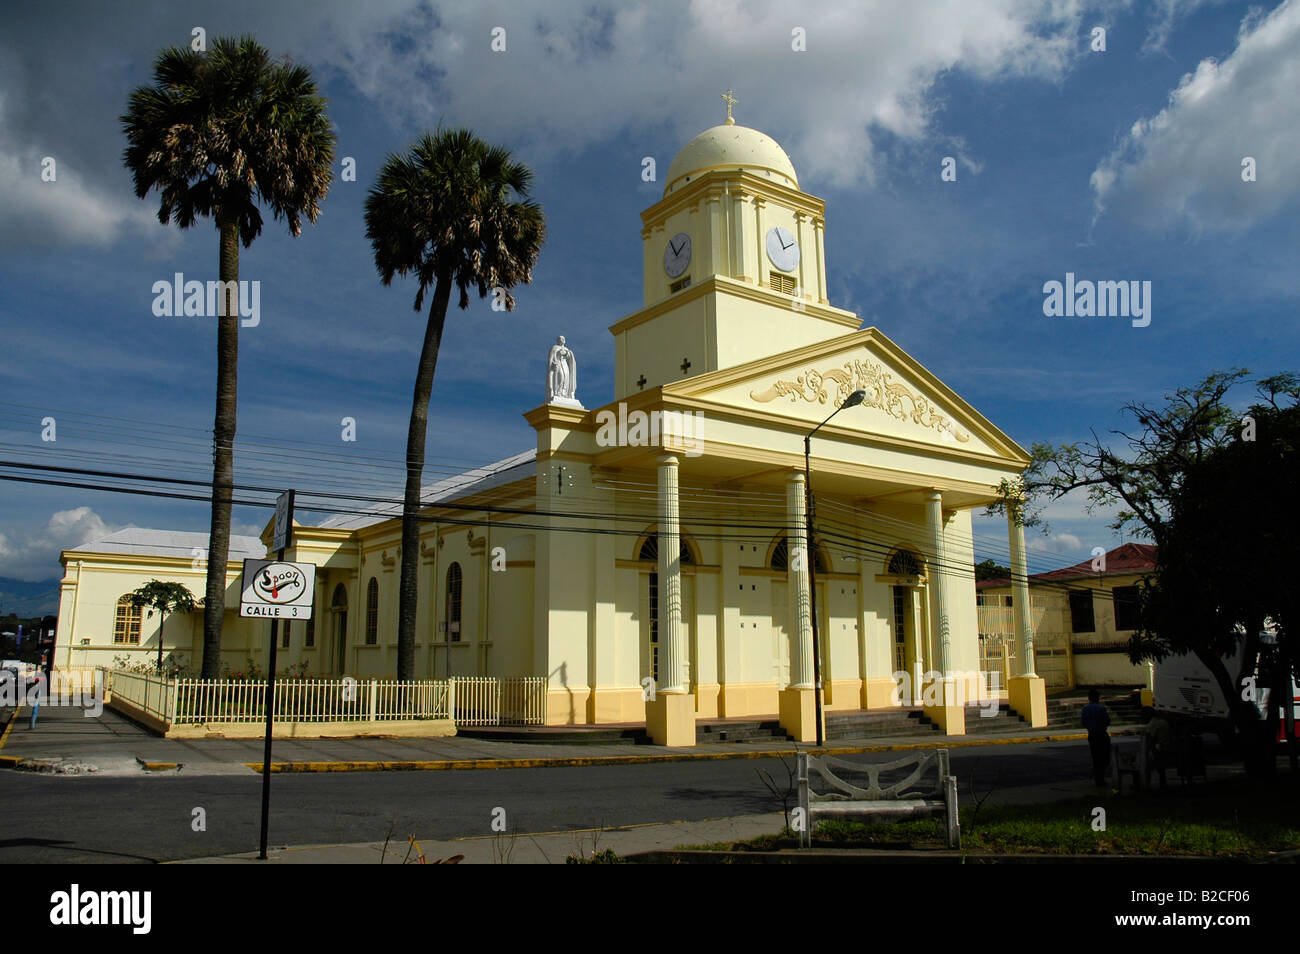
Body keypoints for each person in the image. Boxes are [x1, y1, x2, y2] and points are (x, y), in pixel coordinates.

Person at [1081, 689, 1111, 785]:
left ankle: (1097, 776)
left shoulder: (1085, 709)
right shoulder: (1100, 708)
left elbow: (1083, 722)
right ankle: (1100, 776)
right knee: (1104, 756)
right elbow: (1107, 721)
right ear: (1098, 697)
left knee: (1095, 756)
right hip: (1101, 734)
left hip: (1092, 734)